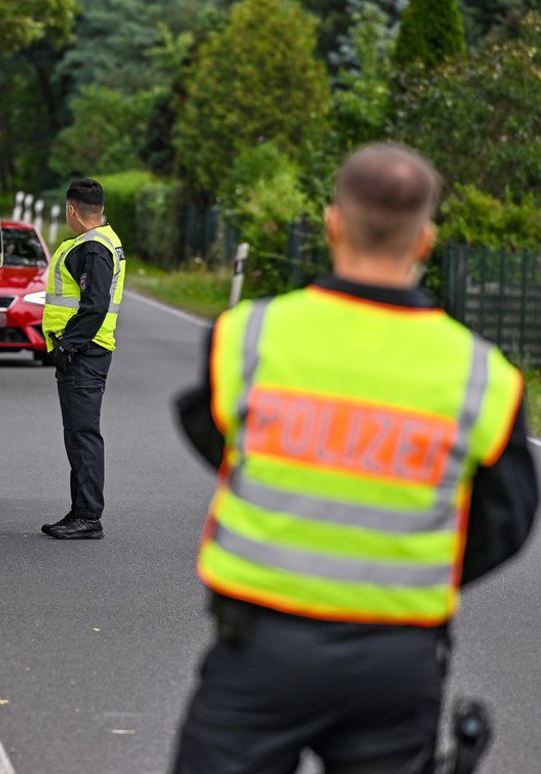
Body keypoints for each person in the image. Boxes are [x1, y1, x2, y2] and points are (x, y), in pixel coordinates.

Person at [171, 144, 539, 774]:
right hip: (397, 662)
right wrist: (418, 568)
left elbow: (210, 428)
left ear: (332, 222)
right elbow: (507, 517)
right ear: (425, 240)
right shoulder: (484, 376)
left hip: (261, 647)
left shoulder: (251, 336)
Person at [39, 178, 126, 540]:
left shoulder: (91, 248)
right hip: (88, 351)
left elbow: (94, 306)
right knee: (78, 434)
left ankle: (88, 515)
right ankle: (81, 511)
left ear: (72, 210)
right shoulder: (102, 241)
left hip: (84, 354)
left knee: (83, 435)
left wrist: (67, 347)